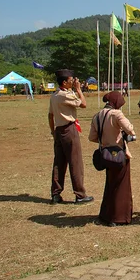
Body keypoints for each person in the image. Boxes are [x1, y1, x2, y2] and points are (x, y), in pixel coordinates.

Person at [88, 91, 136, 226]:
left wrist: (105, 140)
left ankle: (106, 215)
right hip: (119, 154)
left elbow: (92, 137)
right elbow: (130, 129)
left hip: (105, 155)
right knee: (121, 186)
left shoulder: (97, 116)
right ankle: (118, 216)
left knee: (110, 184)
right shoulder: (116, 114)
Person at [48, 69, 93, 204]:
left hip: (59, 130)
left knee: (59, 163)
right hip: (69, 129)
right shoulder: (64, 95)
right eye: (70, 80)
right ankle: (80, 194)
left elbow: (50, 115)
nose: (73, 81)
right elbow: (83, 104)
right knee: (75, 162)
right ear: (64, 82)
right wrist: (79, 90)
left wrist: (53, 131)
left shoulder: (55, 95)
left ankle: (56, 193)